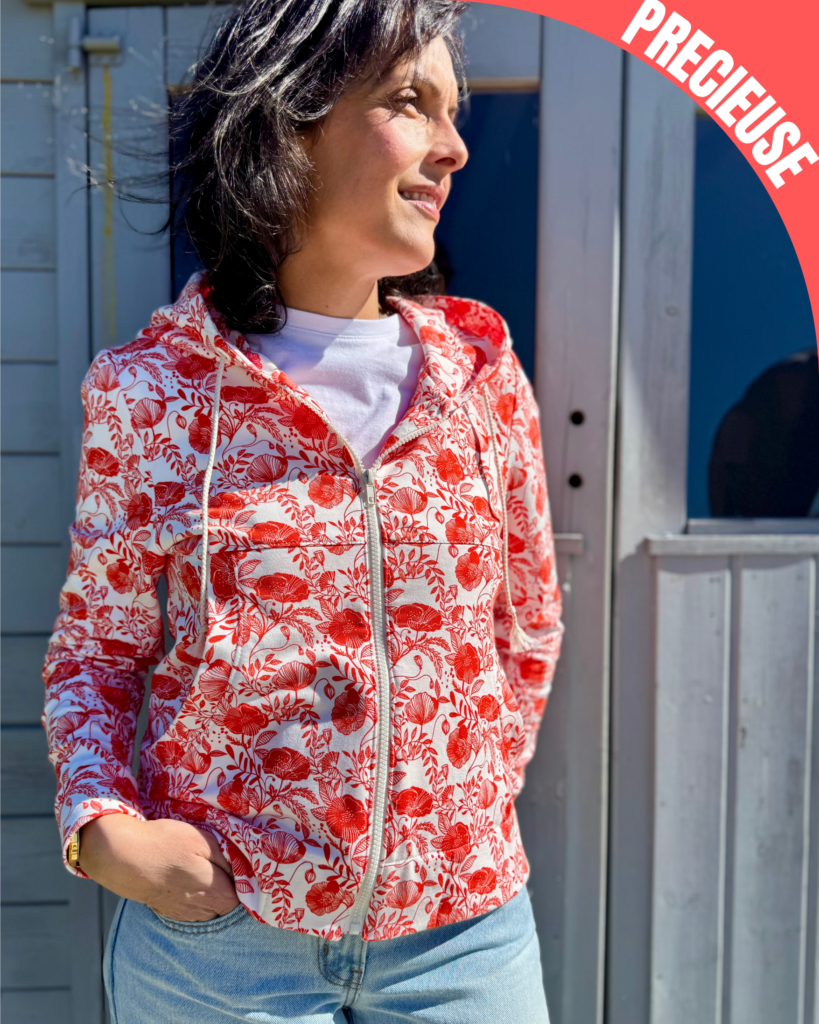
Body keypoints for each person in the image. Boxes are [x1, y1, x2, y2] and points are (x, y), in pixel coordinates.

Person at [42, 1, 564, 1020]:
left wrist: (460, 807)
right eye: (410, 102)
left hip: (461, 936)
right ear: (290, 123)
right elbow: (97, 652)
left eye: (453, 112)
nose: (454, 147)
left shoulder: (479, 374)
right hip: (222, 947)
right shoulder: (152, 390)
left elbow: (527, 620)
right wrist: (103, 831)